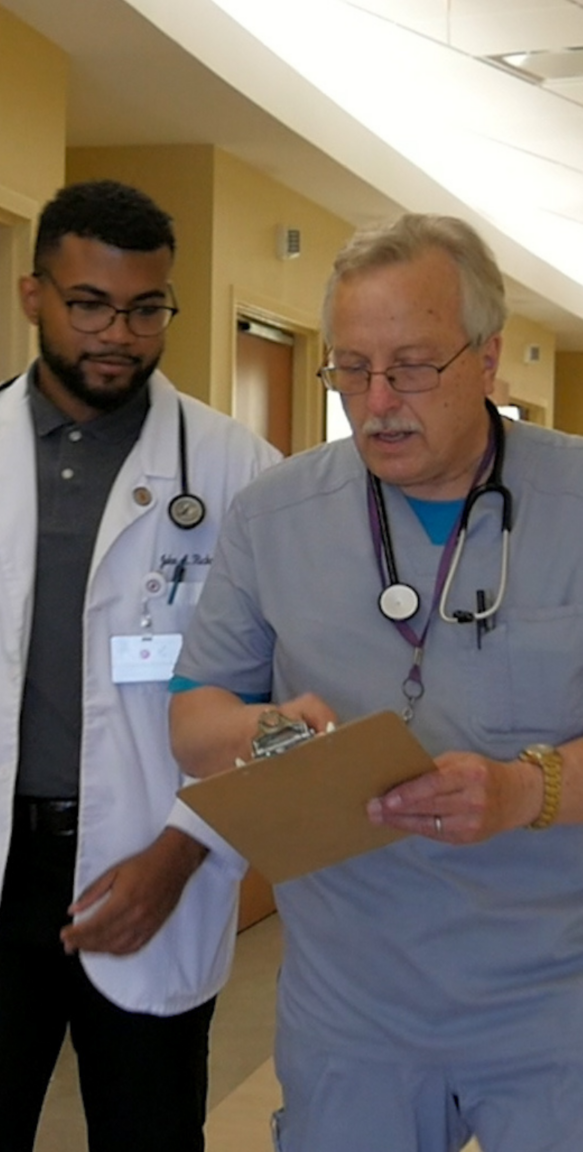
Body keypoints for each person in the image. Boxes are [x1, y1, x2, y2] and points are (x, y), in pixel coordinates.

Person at [0, 179, 280, 1152]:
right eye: (89, 305)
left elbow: (271, 703)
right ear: (33, 296)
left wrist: (184, 852)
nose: (119, 333)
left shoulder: (235, 467)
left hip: (149, 860)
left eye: (146, 308)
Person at [169, 213, 583, 1152]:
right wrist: (268, 735)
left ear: (487, 359)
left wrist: (526, 789)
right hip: (352, 1007)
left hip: (557, 1002)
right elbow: (193, 721)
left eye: (413, 365)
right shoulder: (274, 513)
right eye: (350, 368)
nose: (378, 400)